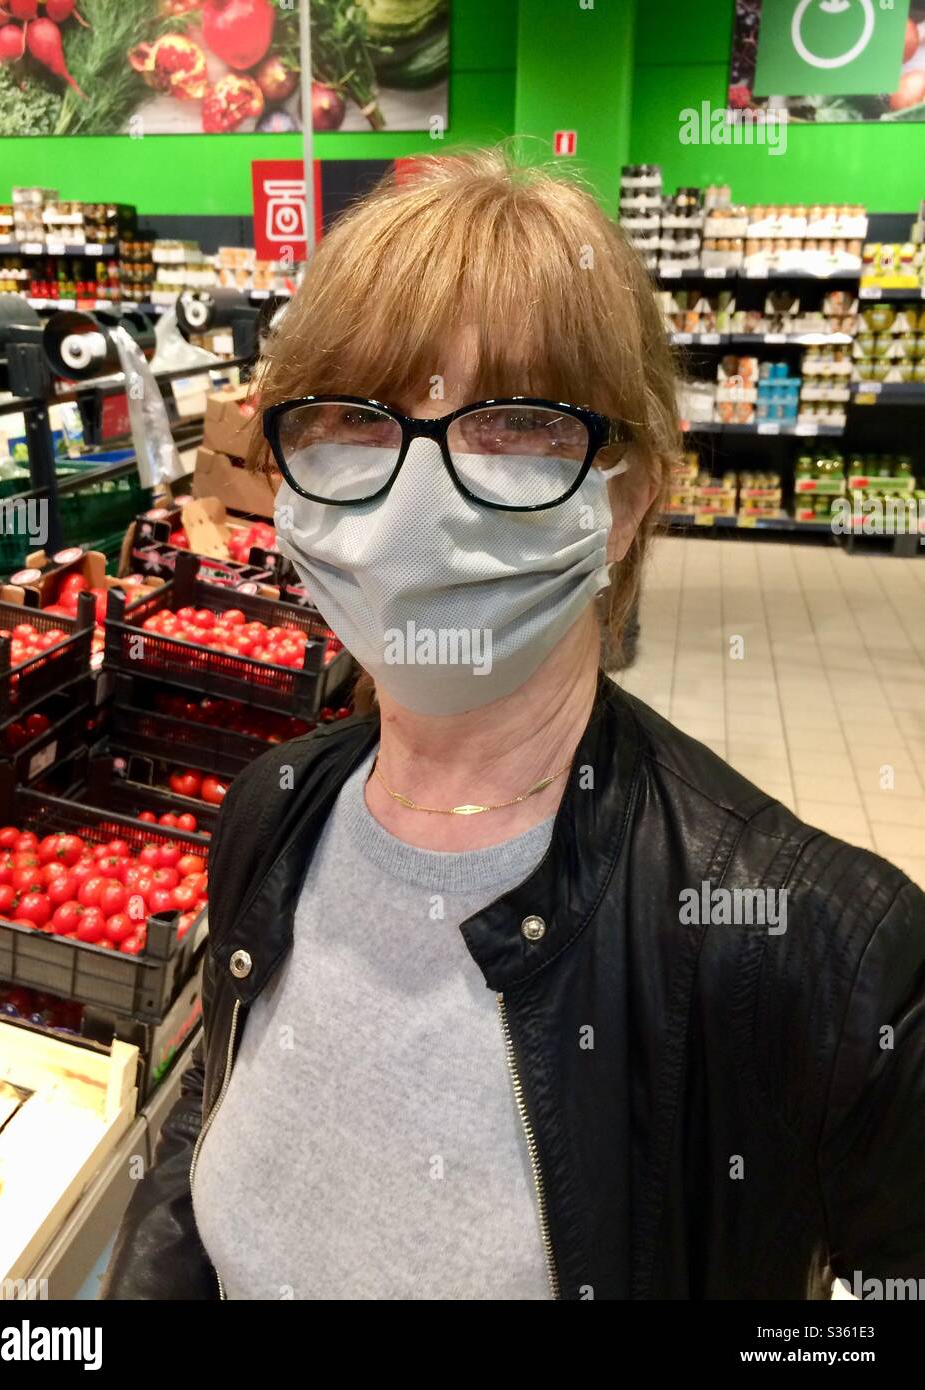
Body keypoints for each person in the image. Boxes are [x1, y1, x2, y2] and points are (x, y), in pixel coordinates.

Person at [104, 149, 924, 1301]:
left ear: (630, 495)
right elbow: (208, 1122)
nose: (412, 495)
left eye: (514, 425)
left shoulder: (815, 949)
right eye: (353, 415)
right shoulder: (272, 811)